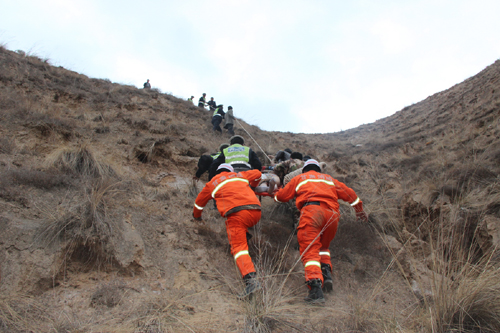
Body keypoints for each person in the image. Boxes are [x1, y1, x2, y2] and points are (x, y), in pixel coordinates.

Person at [274, 159, 368, 303]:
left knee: (310, 250)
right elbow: (352, 196)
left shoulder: (300, 178)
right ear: (319, 169)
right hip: (332, 216)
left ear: (304, 169)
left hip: (312, 212)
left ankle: (315, 289)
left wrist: (275, 194)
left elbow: (282, 197)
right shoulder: (329, 179)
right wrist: (359, 211)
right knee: (323, 247)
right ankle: (326, 275)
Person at [193, 163, 263, 298]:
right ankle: (245, 235)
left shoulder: (212, 183)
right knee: (241, 228)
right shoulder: (239, 175)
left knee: (238, 248)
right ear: (231, 170)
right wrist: (253, 186)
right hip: (256, 212)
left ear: (217, 172)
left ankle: (251, 281)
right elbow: (258, 173)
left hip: (236, 214)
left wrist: (197, 217)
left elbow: (199, 202)